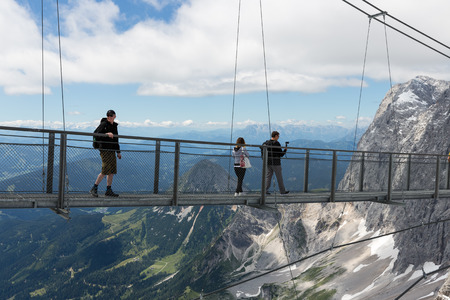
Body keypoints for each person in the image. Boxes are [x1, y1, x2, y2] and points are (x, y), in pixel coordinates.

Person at [90, 110, 122, 197]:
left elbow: (116, 140)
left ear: (114, 116)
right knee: (105, 170)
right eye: (108, 115)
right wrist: (106, 134)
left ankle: (108, 190)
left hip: (111, 149)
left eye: (111, 115)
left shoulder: (114, 126)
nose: (109, 117)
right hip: (104, 149)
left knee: (111, 170)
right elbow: (95, 133)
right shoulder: (104, 124)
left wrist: (118, 152)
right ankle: (94, 188)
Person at [263, 131, 289, 195]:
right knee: (279, 177)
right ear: (276, 136)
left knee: (268, 177)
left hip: (268, 162)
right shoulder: (277, 143)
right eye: (278, 136)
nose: (278, 137)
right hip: (276, 163)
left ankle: (265, 191)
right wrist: (285, 150)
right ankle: (282, 191)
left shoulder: (266, 143)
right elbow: (281, 154)